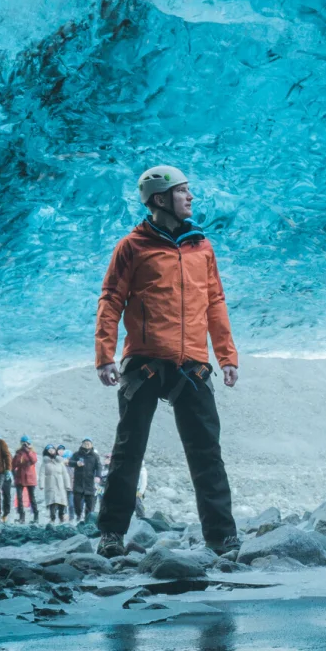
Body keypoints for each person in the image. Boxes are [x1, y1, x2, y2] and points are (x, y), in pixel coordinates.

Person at [95, 164, 239, 558]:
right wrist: (104, 355)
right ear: (160, 199)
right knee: (129, 451)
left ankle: (222, 537)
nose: (190, 197)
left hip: (192, 363)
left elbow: (215, 302)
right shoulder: (132, 247)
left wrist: (226, 355)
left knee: (206, 452)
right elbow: (111, 300)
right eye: (183, 191)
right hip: (143, 362)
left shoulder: (202, 247)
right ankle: (111, 534)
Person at [71, 437, 101, 522]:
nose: (87, 444)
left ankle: (87, 520)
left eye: (88, 443)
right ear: (82, 444)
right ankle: (78, 517)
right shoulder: (77, 454)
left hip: (89, 484)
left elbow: (99, 466)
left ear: (91, 445)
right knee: (77, 503)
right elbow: (70, 462)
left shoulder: (95, 456)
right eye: (85, 443)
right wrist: (76, 463)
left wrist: (98, 476)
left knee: (90, 504)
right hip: (78, 483)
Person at [39, 445, 70, 523]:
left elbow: (65, 474)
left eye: (53, 449)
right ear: (47, 452)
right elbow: (42, 474)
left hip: (60, 484)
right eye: (49, 450)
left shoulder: (60, 462)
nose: (51, 451)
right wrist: (41, 484)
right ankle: (52, 519)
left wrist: (67, 485)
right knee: (52, 502)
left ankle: (61, 518)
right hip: (50, 483)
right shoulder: (45, 463)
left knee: (62, 502)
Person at [12, 436, 39, 523]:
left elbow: (34, 460)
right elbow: (13, 465)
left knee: (32, 498)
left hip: (30, 478)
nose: (24, 444)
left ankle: (36, 516)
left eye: (26, 443)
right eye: (23, 443)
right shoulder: (18, 453)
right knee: (19, 498)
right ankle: (21, 517)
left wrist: (28, 451)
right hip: (20, 478)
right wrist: (14, 474)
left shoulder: (32, 452)